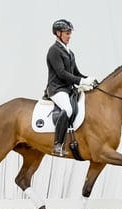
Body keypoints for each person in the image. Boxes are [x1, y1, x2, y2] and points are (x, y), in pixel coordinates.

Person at [44, 19, 96, 156]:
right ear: (58, 33)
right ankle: (58, 145)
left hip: (68, 88)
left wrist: (88, 80)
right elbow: (61, 73)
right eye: (67, 33)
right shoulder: (54, 51)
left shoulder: (69, 52)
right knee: (67, 109)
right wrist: (81, 81)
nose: (69, 36)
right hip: (57, 88)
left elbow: (75, 73)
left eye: (69, 33)